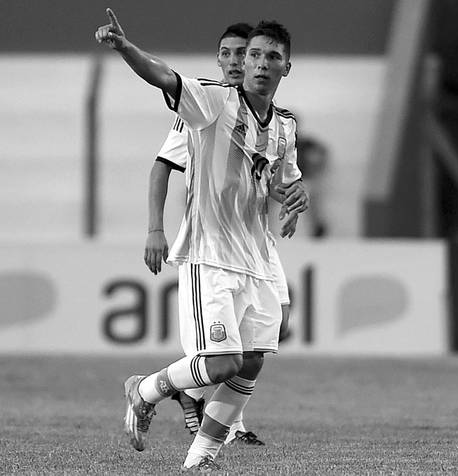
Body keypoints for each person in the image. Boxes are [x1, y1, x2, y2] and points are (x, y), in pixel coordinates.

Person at [96, 10, 304, 470]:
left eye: (273, 57)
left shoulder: (286, 127)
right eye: (255, 55)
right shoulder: (212, 102)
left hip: (257, 258)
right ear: (243, 64)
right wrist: (126, 48)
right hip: (209, 254)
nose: (261, 63)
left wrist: (295, 196)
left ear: (286, 68)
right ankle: (144, 389)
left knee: (251, 363)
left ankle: (201, 459)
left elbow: (281, 183)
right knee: (222, 363)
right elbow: (164, 77)